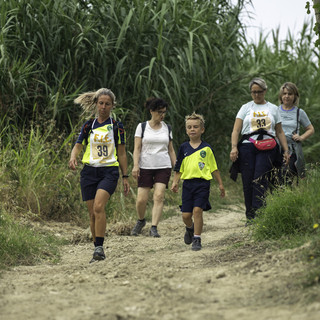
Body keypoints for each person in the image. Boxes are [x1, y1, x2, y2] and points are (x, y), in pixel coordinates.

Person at [69, 88, 130, 263]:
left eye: (107, 104)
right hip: (89, 171)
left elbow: (122, 153)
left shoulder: (117, 126)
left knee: (98, 207)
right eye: (101, 103)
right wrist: (73, 157)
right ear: (96, 104)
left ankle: (99, 248)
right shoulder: (89, 125)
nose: (103, 107)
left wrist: (125, 176)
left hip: (109, 171)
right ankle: (96, 249)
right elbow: (78, 145)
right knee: (92, 213)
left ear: (112, 106)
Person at [230, 78, 290, 222]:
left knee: (260, 178)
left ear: (265, 91)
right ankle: (250, 216)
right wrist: (233, 147)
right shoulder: (246, 107)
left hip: (267, 146)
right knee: (248, 180)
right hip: (247, 146)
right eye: (253, 92)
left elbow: (280, 131)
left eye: (259, 92)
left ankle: (260, 214)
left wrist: (286, 150)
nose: (256, 95)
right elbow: (236, 130)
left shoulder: (273, 108)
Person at [171, 112, 225, 251]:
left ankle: (197, 238)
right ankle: (190, 228)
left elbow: (214, 168)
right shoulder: (183, 148)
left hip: (202, 184)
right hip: (187, 185)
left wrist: (220, 184)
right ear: (186, 130)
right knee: (186, 215)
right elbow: (179, 168)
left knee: (197, 210)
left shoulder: (206, 148)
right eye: (189, 127)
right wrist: (175, 182)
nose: (192, 129)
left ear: (202, 130)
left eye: (195, 127)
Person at [131, 97, 176, 237]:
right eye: (159, 112)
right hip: (145, 166)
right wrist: (136, 165)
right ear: (151, 111)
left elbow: (171, 150)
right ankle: (141, 220)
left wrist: (178, 168)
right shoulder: (142, 127)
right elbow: (137, 148)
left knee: (159, 196)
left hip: (163, 166)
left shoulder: (167, 128)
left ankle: (154, 227)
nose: (162, 115)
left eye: (164, 112)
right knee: (141, 200)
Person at [278, 82, 314, 184]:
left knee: (286, 174)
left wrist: (301, 137)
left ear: (295, 96)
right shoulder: (275, 111)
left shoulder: (299, 112)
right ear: (281, 95)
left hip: (292, 150)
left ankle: (288, 198)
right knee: (276, 177)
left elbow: (311, 129)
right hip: (277, 149)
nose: (287, 96)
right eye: (284, 93)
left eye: (290, 94)